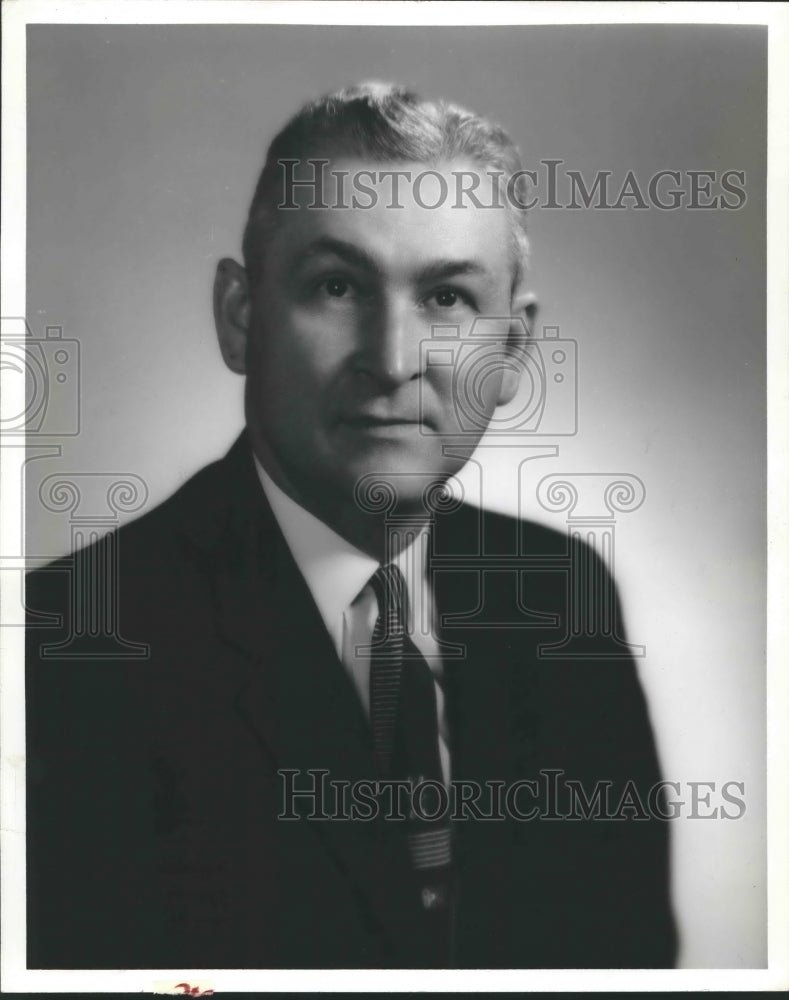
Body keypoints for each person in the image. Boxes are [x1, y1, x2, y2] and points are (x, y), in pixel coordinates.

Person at [25, 82, 677, 970]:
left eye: (446, 299)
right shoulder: (65, 646)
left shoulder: (563, 596)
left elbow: (631, 963)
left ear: (514, 351)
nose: (393, 359)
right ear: (241, 317)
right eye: (336, 286)